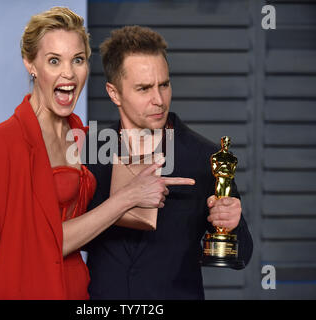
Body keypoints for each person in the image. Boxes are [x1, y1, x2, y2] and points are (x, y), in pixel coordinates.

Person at [0, 8, 194, 300]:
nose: (68, 73)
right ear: (30, 64)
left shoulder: (87, 138)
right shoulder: (2, 142)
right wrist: (128, 197)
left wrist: (220, 214)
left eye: (78, 60)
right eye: (53, 61)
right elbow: (39, 245)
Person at [84, 26, 253, 299]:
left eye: (164, 84)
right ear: (114, 93)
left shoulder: (206, 158)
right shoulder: (89, 153)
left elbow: (242, 254)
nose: (159, 100)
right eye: (144, 88)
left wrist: (234, 225)